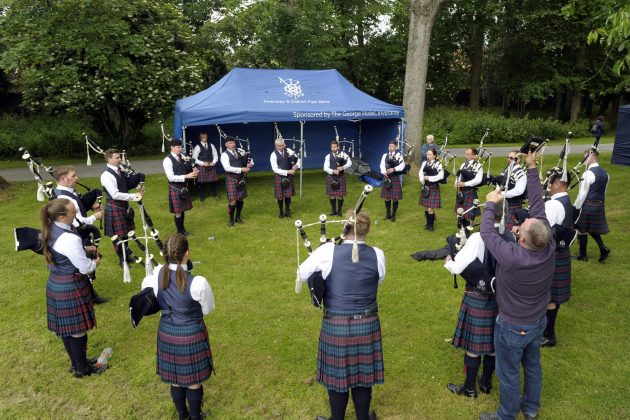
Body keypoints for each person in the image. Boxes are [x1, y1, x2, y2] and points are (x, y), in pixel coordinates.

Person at [479, 150, 555, 420]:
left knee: (509, 372)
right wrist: (532, 168)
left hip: (512, 325)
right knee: (533, 365)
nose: (521, 225)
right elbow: (537, 205)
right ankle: (531, 409)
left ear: (522, 239)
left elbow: (486, 232)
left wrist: (490, 203)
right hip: (537, 321)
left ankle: (506, 415)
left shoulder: (513, 256)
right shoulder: (548, 244)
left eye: (521, 228)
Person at [297, 210, 385, 420]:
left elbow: (302, 273)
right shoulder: (378, 254)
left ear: (345, 226)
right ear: (367, 230)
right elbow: (378, 280)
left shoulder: (328, 251)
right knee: (364, 376)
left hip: (337, 325)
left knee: (338, 377)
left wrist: (321, 268)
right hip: (368, 323)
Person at [142, 233, 215, 420]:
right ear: (187, 253)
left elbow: (147, 293)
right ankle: (195, 416)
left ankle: (183, 416)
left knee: (175, 379)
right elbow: (207, 310)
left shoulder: (156, 275)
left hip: (166, 332)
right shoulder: (198, 282)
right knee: (193, 382)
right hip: (191, 334)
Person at [444, 204, 512, 398]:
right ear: (504, 216)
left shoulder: (477, 237)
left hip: (477, 297)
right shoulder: (509, 237)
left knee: (474, 347)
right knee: (492, 345)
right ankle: (486, 382)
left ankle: (470, 388)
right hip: (501, 298)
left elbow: (458, 267)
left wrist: (449, 262)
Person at [41, 199, 102, 378]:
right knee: (77, 331)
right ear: (61, 216)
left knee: (67, 330)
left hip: (56, 283)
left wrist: (83, 248)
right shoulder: (69, 238)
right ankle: (82, 369)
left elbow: (64, 251)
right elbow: (85, 268)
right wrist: (95, 262)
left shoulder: (52, 227)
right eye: (72, 211)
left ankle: (77, 363)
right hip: (70, 286)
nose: (76, 212)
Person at [53, 165, 108, 304]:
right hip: (76, 233)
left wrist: (90, 206)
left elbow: (77, 208)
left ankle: (90, 295)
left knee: (82, 263)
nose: (77, 178)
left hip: (75, 233)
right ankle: (86, 296)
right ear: (63, 179)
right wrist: (95, 217)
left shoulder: (67, 192)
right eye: (73, 176)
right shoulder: (64, 197)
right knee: (81, 266)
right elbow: (77, 222)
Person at [542, 169, 574, 347]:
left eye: (550, 183)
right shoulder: (566, 199)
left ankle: (549, 335)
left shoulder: (553, 205)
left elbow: (543, 229)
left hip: (552, 253)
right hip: (561, 252)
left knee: (550, 298)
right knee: (553, 296)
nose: (548, 186)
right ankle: (547, 331)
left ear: (557, 184)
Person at [100, 148, 143, 266]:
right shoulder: (106, 175)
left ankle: (126, 256)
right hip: (114, 206)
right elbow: (114, 194)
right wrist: (133, 196)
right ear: (109, 159)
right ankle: (122, 260)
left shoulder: (120, 170)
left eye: (119, 157)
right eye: (117, 158)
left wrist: (138, 185)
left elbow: (126, 185)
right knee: (117, 236)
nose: (120, 159)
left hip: (124, 206)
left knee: (125, 232)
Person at [574, 148, 610, 262]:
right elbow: (604, 192)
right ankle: (603, 249)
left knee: (581, 229)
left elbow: (582, 194)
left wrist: (576, 207)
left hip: (588, 205)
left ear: (592, 157)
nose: (583, 160)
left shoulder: (588, 173)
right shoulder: (606, 174)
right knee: (592, 229)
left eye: (585, 157)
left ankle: (583, 256)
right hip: (599, 205)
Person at [163, 140, 198, 236]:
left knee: (182, 210)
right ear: (172, 148)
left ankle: (183, 230)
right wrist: (187, 176)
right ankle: (179, 232)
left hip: (183, 187)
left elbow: (186, 168)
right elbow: (170, 177)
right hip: (175, 187)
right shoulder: (167, 160)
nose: (180, 149)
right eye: (178, 147)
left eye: (180, 147)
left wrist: (193, 169)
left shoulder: (182, 157)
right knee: (178, 211)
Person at [220, 137, 254, 227]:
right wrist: (242, 169)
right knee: (232, 200)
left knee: (241, 198)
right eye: (230, 143)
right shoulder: (224, 155)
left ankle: (238, 217)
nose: (233, 144)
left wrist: (250, 164)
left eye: (234, 143)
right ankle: (231, 219)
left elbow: (247, 161)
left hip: (241, 178)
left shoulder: (239, 152)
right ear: (226, 145)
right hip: (232, 179)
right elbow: (227, 168)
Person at [495, 151, 527, 231]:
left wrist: (502, 194)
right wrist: (497, 191)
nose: (509, 159)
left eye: (511, 158)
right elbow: (500, 182)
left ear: (518, 160)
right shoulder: (508, 170)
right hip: (503, 203)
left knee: (508, 231)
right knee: (498, 227)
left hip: (512, 205)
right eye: (508, 157)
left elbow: (519, 190)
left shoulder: (521, 174)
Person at [270, 137, 300, 218]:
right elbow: (275, 169)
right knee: (280, 196)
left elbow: (298, 159)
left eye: (282, 145)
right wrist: (287, 171)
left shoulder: (289, 151)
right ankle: (281, 211)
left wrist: (297, 165)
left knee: (288, 195)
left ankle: (287, 211)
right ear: (276, 146)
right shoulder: (273, 155)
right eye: (279, 146)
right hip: (279, 177)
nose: (281, 147)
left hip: (289, 177)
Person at [324, 140, 352, 216]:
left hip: (340, 177)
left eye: (335, 147)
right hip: (331, 177)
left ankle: (339, 211)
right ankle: (333, 211)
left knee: (340, 195)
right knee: (332, 195)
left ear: (338, 147)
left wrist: (343, 167)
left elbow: (349, 163)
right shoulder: (328, 156)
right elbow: (325, 168)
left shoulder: (343, 154)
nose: (333, 148)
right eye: (332, 147)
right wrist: (333, 171)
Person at [455, 148, 484, 222]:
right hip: (461, 192)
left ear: (474, 156)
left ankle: (467, 232)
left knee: (468, 215)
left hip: (470, 192)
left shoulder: (478, 166)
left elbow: (478, 180)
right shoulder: (463, 164)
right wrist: (457, 183)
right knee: (460, 213)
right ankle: (461, 230)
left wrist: (464, 184)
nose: (465, 156)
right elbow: (459, 176)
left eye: (468, 154)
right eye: (465, 154)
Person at [419, 148, 444, 231]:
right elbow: (420, 173)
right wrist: (422, 179)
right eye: (427, 154)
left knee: (430, 208)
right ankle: (427, 223)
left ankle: (431, 226)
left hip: (433, 186)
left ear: (434, 155)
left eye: (430, 154)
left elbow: (441, 176)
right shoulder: (424, 163)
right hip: (425, 186)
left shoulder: (438, 164)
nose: (428, 156)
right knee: (426, 207)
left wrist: (429, 178)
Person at [380, 139, 405, 222]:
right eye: (390, 146)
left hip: (394, 178)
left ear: (396, 147)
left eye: (392, 146)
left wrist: (394, 169)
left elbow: (402, 166)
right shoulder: (385, 155)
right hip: (387, 177)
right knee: (387, 197)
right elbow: (382, 165)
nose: (391, 147)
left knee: (395, 198)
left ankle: (393, 215)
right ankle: (388, 214)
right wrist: (384, 172)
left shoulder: (399, 155)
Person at [192, 132, 219, 201]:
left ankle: (214, 193)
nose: (205, 138)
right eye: (203, 137)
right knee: (201, 182)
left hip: (211, 165)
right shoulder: (197, 146)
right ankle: (202, 195)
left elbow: (215, 155)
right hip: (202, 167)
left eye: (206, 137)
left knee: (213, 181)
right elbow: (194, 158)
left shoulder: (211, 145)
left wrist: (213, 162)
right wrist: (202, 163)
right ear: (200, 138)